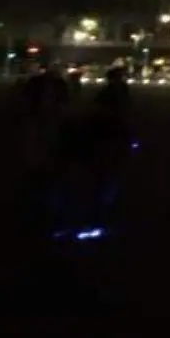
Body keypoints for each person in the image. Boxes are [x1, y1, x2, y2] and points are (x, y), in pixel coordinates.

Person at [52, 67, 136, 239]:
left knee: (97, 185)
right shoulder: (114, 100)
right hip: (105, 148)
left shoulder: (103, 101)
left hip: (102, 148)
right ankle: (93, 220)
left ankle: (88, 220)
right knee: (102, 185)